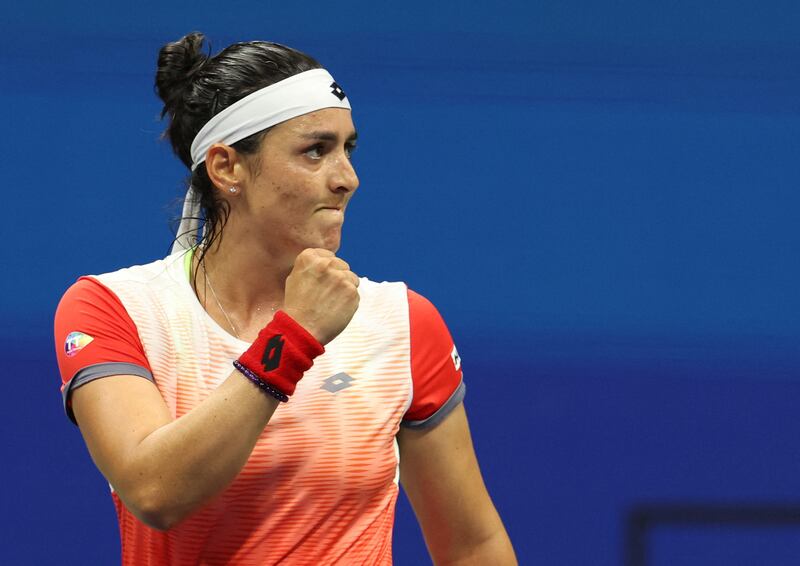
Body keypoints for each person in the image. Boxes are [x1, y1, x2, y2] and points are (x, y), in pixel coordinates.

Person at [54, 32, 516, 565]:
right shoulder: (114, 308)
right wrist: (295, 335)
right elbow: (156, 491)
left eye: (348, 149)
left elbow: (472, 546)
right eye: (315, 151)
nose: (348, 179)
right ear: (227, 168)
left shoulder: (401, 322)